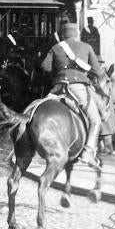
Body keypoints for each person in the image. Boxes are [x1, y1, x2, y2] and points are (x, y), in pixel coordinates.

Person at [41, 22, 105, 166]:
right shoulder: (86, 47)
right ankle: (88, 152)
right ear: (77, 34)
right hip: (78, 88)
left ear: (63, 34)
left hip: (57, 88)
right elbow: (98, 72)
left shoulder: (56, 47)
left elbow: (44, 67)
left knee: (37, 109)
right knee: (95, 119)